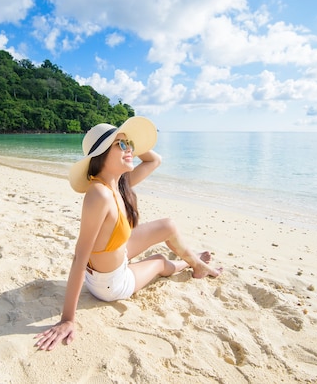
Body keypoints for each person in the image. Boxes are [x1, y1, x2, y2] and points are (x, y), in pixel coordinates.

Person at [35, 116, 222, 351]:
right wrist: (67, 319)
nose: (130, 150)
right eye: (121, 145)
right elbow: (79, 257)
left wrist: (129, 141)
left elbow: (155, 159)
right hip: (111, 283)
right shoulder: (99, 195)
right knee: (160, 261)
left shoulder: (118, 183)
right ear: (102, 155)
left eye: (129, 144)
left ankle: (195, 262)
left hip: (118, 255)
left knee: (169, 225)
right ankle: (192, 265)